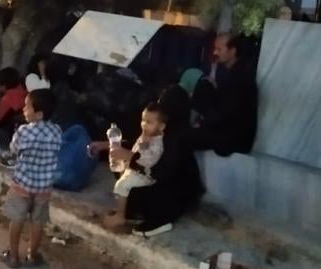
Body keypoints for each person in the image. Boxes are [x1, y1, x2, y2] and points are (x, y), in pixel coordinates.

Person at [92, 85, 204, 235]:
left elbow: (162, 172)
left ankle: (158, 219)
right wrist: (106, 145)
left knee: (138, 180)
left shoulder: (176, 137)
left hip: (174, 194)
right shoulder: (160, 131)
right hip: (155, 177)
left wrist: (131, 157)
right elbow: (136, 147)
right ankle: (130, 210)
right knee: (123, 169)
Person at [0, 88, 63, 268]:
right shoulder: (57, 131)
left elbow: (13, 150)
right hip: (43, 188)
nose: (23, 109)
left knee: (17, 219)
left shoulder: (23, 131)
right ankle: (32, 255)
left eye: (27, 106)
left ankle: (13, 256)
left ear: (39, 114)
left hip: (22, 184)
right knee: (38, 222)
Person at [188, 32, 258, 155]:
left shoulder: (240, 76)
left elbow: (225, 111)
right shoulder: (235, 72)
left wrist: (203, 124)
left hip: (231, 138)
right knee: (205, 84)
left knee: (181, 137)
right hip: (225, 129)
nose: (215, 53)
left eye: (219, 49)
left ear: (232, 51)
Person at [104, 103, 168, 230]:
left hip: (144, 176)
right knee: (120, 174)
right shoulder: (147, 136)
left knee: (121, 185)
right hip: (135, 171)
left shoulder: (157, 143)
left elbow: (147, 160)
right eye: (143, 120)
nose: (144, 125)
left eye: (149, 122)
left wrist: (130, 155)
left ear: (161, 126)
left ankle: (120, 216)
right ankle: (123, 208)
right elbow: (137, 149)